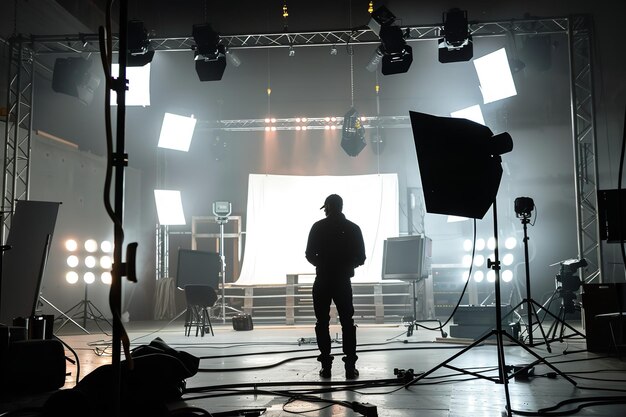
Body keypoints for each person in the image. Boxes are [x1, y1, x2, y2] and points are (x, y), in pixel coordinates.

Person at [305, 194, 366, 379]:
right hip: (342, 280)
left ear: (327, 207)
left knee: (322, 322)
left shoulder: (318, 227)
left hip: (322, 279)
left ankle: (326, 367)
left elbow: (309, 254)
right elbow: (361, 257)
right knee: (347, 322)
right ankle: (349, 367)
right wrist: (347, 266)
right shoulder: (353, 228)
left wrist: (322, 264)